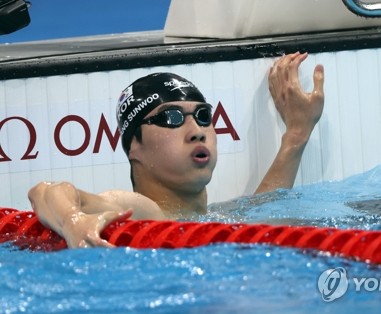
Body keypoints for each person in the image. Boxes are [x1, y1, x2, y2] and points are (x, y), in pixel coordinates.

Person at [28, 52, 325, 248]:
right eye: (171, 118)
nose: (196, 131)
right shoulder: (145, 211)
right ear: (135, 146)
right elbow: (46, 191)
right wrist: (73, 221)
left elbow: (266, 207)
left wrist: (296, 135)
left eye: (203, 116)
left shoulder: (217, 216)